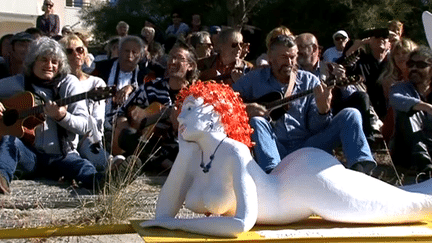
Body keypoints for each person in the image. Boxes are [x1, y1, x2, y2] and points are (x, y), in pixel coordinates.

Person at [140, 80, 432, 237]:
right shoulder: (194, 154)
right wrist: (183, 153)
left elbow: (242, 224)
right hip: (293, 172)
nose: (181, 115)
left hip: (308, 184)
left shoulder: (234, 152)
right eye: (183, 108)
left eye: (190, 108)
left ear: (216, 114)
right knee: (400, 196)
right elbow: (162, 215)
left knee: (410, 205)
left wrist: (176, 225)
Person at [232, 35, 376, 174]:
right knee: (257, 121)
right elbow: (223, 100)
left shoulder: (310, 81)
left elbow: (316, 128)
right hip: (274, 145)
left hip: (306, 146)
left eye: (293, 57)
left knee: (351, 114)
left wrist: (323, 110)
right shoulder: (254, 79)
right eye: (284, 57)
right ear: (270, 57)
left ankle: (361, 168)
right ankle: (272, 176)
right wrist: (246, 108)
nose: (289, 62)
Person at [0, 37, 104, 194]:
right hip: (30, 156)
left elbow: (84, 126)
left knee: (82, 166)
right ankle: (1, 179)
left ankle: (103, 182)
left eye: (54, 62)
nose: (49, 66)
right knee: (10, 141)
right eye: (44, 60)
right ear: (32, 62)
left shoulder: (69, 83)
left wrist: (62, 117)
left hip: (62, 156)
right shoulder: (19, 82)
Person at [112, 41, 199, 171]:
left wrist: (179, 129)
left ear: (190, 66)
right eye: (171, 57)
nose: (173, 62)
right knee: (126, 136)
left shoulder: (196, 95)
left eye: (179, 58)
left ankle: (150, 163)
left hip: (177, 148)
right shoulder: (151, 87)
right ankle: (161, 164)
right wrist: (129, 126)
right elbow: (121, 112)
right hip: (147, 145)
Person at [59, 34, 109, 171]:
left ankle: (112, 165)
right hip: (65, 135)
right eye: (69, 51)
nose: (76, 54)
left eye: (79, 50)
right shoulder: (57, 83)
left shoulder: (96, 83)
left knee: (89, 143)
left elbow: (98, 120)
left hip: (89, 136)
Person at [92, 35, 150, 135]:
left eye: (134, 52)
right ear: (119, 52)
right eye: (126, 51)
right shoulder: (102, 68)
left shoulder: (145, 75)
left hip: (128, 124)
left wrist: (132, 87)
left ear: (140, 56)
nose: (130, 55)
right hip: (97, 121)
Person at [389, 46, 432, 179]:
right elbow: (396, 99)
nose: (414, 68)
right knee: (408, 112)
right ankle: (425, 167)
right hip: (406, 151)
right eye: (411, 64)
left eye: (420, 65)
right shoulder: (400, 87)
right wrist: (426, 107)